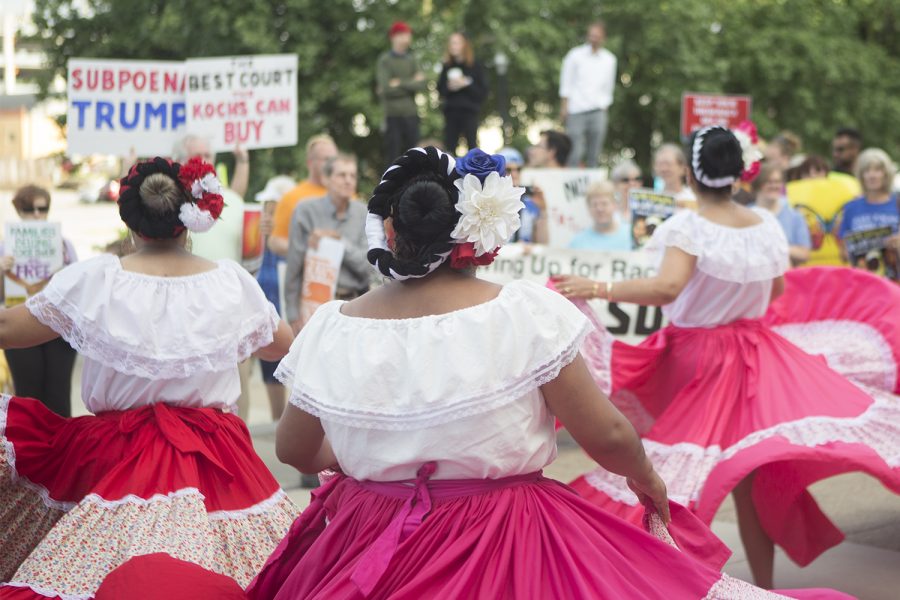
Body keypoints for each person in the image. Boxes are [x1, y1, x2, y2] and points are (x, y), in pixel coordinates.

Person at [246, 146, 849, 600]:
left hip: (364, 536)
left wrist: (376, 450)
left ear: (391, 231)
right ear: (471, 234)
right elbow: (606, 434)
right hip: (501, 538)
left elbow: (299, 449)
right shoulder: (521, 311)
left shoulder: (333, 325)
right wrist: (646, 478)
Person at [552, 126, 900, 590]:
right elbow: (776, 289)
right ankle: (762, 585)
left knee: (676, 473)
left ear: (694, 176)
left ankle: (670, 579)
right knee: (745, 479)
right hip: (757, 354)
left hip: (701, 359)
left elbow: (667, 288)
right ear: (739, 173)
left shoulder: (688, 226)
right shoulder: (766, 225)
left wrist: (597, 288)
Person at [0, 157, 298, 598]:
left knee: (109, 576)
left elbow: (9, 329)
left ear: (131, 222)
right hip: (215, 457)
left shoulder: (98, 279)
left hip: (114, 452)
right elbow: (282, 343)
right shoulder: (229, 283)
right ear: (188, 222)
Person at [172, 134, 254, 420]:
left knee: (238, 389)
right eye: (196, 155)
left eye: (207, 154)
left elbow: (251, 255)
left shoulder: (233, 201)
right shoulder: (172, 205)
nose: (203, 161)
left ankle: (239, 448)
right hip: (186, 316)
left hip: (230, 313)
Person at [0, 185, 78, 418]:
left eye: (42, 208)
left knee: (58, 397)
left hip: (58, 328)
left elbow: (79, 290)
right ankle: (28, 451)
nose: (36, 214)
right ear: (19, 211)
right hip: (19, 323)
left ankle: (62, 451)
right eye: (29, 208)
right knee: (27, 395)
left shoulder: (64, 246)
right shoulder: (5, 248)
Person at [284, 153, 369, 335]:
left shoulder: (363, 213)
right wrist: (292, 315)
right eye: (342, 175)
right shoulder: (306, 211)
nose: (348, 181)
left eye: (353, 176)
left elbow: (367, 267)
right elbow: (294, 266)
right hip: (314, 309)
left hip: (354, 307)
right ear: (326, 179)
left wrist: (338, 242)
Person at [255, 175, 298, 421]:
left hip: (291, 315)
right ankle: (276, 423)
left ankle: (291, 427)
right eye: (266, 210)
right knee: (270, 372)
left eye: (274, 211)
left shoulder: (295, 236)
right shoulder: (256, 235)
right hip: (267, 313)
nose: (268, 217)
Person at [269, 135, 339, 258]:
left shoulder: (347, 195)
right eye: (326, 159)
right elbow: (275, 242)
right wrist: (309, 250)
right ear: (310, 163)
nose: (331, 164)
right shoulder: (291, 197)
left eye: (334, 159)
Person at [560, 21, 617, 168]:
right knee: (574, 152)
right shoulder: (574, 55)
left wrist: (605, 107)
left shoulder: (610, 60)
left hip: (598, 110)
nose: (594, 38)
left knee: (595, 153)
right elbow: (566, 81)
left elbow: (608, 86)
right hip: (576, 110)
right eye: (591, 35)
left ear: (603, 37)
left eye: (597, 36)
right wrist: (564, 106)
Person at [837, 147, 900, 280]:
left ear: (886, 174)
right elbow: (843, 253)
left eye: (877, 170)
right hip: (862, 282)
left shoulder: (897, 204)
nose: (872, 175)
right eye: (867, 170)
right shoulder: (850, 208)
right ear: (861, 175)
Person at [377, 21, 426, 167]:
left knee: (415, 155)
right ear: (395, 37)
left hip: (411, 114)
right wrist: (411, 82)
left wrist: (399, 82)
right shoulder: (385, 60)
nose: (408, 38)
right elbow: (385, 89)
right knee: (393, 157)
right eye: (405, 34)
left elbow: (422, 84)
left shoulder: (412, 59)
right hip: (393, 116)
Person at [750, 163, 812, 266]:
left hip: (786, 277)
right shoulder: (745, 214)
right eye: (768, 182)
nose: (774, 186)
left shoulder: (795, 216)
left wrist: (775, 247)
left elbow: (804, 253)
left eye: (777, 182)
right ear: (758, 184)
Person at [437, 32, 488, 153]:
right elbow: (440, 90)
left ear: (464, 45)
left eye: (456, 43)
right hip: (451, 113)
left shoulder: (475, 66)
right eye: (451, 43)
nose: (452, 46)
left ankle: (474, 171)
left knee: (472, 146)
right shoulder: (447, 66)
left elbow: (483, 92)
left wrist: (466, 84)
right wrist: (449, 87)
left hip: (469, 112)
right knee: (449, 147)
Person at [497, 146, 545, 243]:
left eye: (518, 169)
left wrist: (543, 210)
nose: (514, 174)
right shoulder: (489, 202)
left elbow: (542, 244)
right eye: (508, 170)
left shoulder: (530, 203)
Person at [568, 181, 632, 250]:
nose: (600, 209)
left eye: (604, 204)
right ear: (588, 208)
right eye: (595, 205)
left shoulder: (633, 235)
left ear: (615, 205)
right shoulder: (577, 243)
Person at [653, 143, 696, 208]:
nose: (664, 169)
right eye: (660, 164)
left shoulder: (694, 198)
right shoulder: (652, 201)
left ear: (682, 168)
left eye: (668, 164)